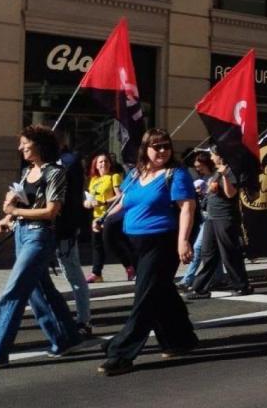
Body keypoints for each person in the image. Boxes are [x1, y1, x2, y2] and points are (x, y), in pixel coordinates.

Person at [0, 125, 82, 371]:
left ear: (38, 145)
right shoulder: (27, 171)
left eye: (24, 143)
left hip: (39, 237)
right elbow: (23, 202)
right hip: (22, 233)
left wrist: (14, 211)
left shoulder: (55, 173)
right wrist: (7, 219)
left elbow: (51, 211)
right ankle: (66, 339)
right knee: (40, 291)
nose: (20, 148)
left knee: (12, 292)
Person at [97, 129, 199, 376]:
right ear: (146, 149)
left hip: (162, 243)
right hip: (133, 243)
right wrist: (104, 218)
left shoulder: (176, 174)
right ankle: (180, 339)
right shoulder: (135, 174)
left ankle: (120, 352)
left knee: (144, 298)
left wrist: (183, 242)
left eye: (166, 146)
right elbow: (123, 203)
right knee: (160, 291)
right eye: (156, 147)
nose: (162, 151)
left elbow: (187, 207)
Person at [186, 149, 253, 299]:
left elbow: (231, 193)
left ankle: (242, 285)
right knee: (207, 253)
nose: (211, 156)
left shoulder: (231, 171)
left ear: (220, 156)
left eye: (213, 154)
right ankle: (200, 287)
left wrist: (224, 176)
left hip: (225, 217)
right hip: (211, 217)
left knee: (229, 252)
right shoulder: (215, 173)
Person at [55, 136, 92, 337]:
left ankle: (84, 320)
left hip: (64, 228)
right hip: (43, 229)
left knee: (73, 273)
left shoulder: (67, 162)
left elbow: (72, 197)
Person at [177, 152, 225, 291]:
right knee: (213, 249)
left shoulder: (215, 176)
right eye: (196, 167)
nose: (198, 169)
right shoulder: (202, 178)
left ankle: (188, 279)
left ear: (206, 164)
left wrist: (206, 193)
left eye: (200, 166)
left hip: (212, 216)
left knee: (198, 248)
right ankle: (218, 277)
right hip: (203, 216)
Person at [84, 153, 132, 283]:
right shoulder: (94, 180)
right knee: (97, 245)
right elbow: (89, 198)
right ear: (96, 165)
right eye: (100, 162)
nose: (103, 164)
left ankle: (129, 266)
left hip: (111, 215)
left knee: (111, 243)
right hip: (96, 216)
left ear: (110, 164)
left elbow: (120, 196)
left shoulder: (114, 177)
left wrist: (103, 202)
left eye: (106, 161)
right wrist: (87, 203)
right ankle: (96, 273)